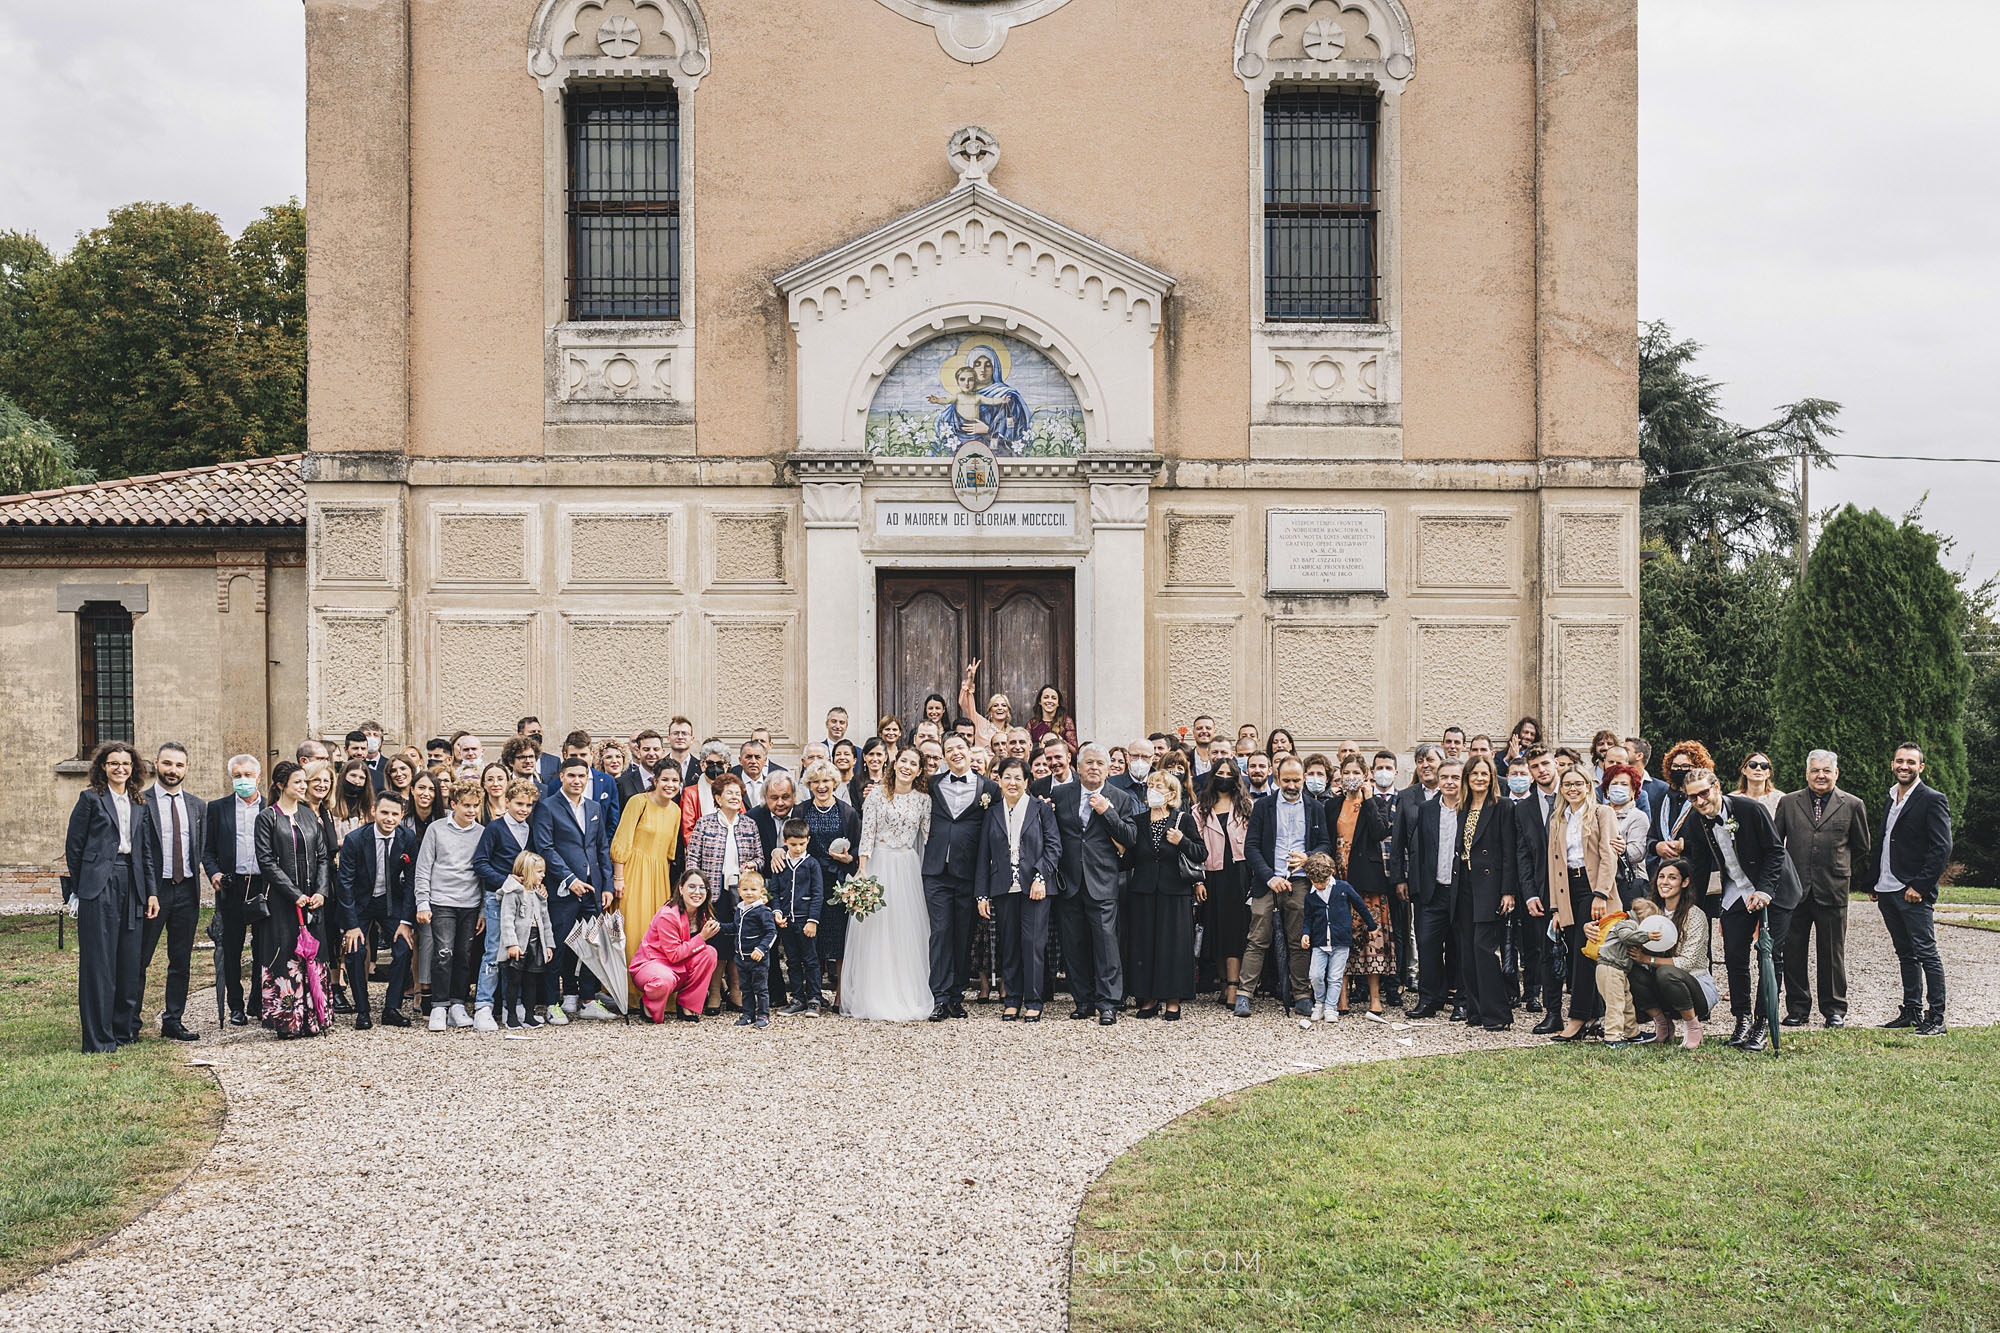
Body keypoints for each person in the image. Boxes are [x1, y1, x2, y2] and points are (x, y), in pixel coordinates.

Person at [1675, 765, 1796, 1052]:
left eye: (1704, 793)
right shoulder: (1696, 819)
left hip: (1775, 888)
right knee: (1733, 955)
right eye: (1693, 798)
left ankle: (1762, 1023)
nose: (1700, 801)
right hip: (1736, 890)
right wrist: (1691, 904)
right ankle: (1741, 1019)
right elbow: (1701, 864)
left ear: (1716, 787)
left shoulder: (1749, 809)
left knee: (1769, 956)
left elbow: (1775, 851)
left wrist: (1765, 890)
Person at [63, 741, 156, 1052]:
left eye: (126, 764)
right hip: (100, 885)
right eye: (113, 763)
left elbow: (145, 853)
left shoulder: (139, 802)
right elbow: (74, 848)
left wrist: (151, 891)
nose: (120, 768)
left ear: (134, 769)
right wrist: (84, 886)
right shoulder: (90, 799)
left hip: (133, 881)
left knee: (129, 961)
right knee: (99, 963)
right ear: (102, 767)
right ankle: (99, 1039)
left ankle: (123, 1031)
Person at [1774, 749, 1871, 1029]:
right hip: (1794, 889)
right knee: (1793, 952)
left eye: (1826, 771)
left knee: (1832, 952)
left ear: (1836, 773)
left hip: (1833, 888)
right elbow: (1776, 843)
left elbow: (1861, 846)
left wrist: (1837, 866)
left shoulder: (1852, 804)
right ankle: (1798, 1008)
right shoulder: (1789, 802)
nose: (1821, 775)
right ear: (1807, 773)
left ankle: (1834, 1009)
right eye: (1815, 770)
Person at [845, 746, 936, 1022]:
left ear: (920, 771)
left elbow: (930, 837)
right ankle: (876, 993)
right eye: (904, 761)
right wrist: (862, 872)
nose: (908, 766)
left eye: (914, 764)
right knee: (878, 930)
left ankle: (907, 991)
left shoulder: (923, 800)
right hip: (879, 864)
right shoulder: (876, 796)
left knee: (906, 929)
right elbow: (867, 835)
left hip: (907, 866)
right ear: (895, 764)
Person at [1051, 745, 1138, 1025]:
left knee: (1106, 945)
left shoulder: (1120, 798)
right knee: (1073, 945)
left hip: (1103, 882)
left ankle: (1109, 1003)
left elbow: (1130, 837)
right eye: (1089, 762)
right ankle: (1083, 1001)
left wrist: (1107, 812)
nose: (1094, 767)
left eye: (1100, 763)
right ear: (1077, 765)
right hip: (1070, 882)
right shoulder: (1061, 795)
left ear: (1108, 767)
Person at [1871, 743, 1953, 1036]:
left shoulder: (1932, 799)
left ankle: (1937, 1017)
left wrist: (1920, 885)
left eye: (1910, 762)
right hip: (1887, 888)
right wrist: (1874, 882)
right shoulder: (1891, 797)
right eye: (1899, 761)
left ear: (1921, 767)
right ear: (1892, 764)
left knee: (1926, 952)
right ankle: (1911, 1011)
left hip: (1912, 891)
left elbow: (1941, 848)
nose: (1903, 766)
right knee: (1905, 953)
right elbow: (1886, 841)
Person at [1241, 756, 1332, 1019]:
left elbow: (1325, 843)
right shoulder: (1264, 806)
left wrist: (1309, 856)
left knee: (1299, 941)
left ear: (1303, 778)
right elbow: (1252, 847)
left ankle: (1301, 995)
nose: (1292, 786)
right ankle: (1245, 995)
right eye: (1287, 780)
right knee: (1257, 939)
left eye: (1297, 780)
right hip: (1268, 882)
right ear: (1276, 778)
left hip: (1301, 882)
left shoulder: (1315, 808)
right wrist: (1269, 877)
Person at [974, 755, 1062, 1022]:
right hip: (1003, 887)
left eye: (1018, 778)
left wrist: (1041, 877)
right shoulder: (991, 812)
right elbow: (983, 855)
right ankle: (1011, 999)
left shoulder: (1041, 809)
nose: (1012, 783)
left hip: (1034, 886)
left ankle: (1034, 1000)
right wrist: (982, 893)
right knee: (1009, 944)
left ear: (1027, 781)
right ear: (998, 780)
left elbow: (1053, 847)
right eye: (1007, 777)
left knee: (1033, 943)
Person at [532, 756, 618, 1022]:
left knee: (593, 944)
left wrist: (605, 886)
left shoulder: (593, 806)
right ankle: (552, 1003)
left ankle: (587, 999)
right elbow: (545, 847)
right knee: (557, 945)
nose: (577, 781)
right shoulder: (547, 807)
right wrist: (570, 879)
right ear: (561, 776)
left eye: (582, 776)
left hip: (592, 889)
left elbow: (601, 847)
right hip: (562, 889)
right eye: (571, 776)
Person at [922, 734, 999, 1021]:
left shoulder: (989, 788)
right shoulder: (931, 785)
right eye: (949, 750)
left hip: (968, 874)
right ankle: (940, 998)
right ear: (943, 757)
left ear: (970, 752)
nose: (955, 753)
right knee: (941, 933)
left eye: (960, 748)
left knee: (962, 935)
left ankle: (956, 996)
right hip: (936, 871)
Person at [254, 759, 332, 1040]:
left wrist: (321, 891)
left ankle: (315, 1016)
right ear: (280, 785)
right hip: (282, 901)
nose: (304, 786)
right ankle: (288, 1019)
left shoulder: (310, 816)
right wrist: (294, 894)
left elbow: (323, 856)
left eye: (304, 782)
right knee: (285, 955)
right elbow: (266, 861)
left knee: (314, 955)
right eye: (298, 782)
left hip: (312, 898)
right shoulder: (267, 818)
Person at [1540, 765, 1618, 1042]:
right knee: (1576, 952)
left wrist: (1601, 894)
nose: (1572, 789)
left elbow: (1609, 855)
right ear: (1561, 789)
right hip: (1566, 889)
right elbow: (1553, 864)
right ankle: (1593, 1016)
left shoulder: (1601, 813)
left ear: (1588, 785)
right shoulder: (1558, 818)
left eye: (1578, 783)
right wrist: (1556, 908)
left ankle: (1577, 1018)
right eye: (1567, 784)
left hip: (1591, 887)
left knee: (1586, 953)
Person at [334, 790, 418, 1030]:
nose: (389, 818)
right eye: (384, 813)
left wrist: (405, 921)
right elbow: (345, 883)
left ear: (401, 815)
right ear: (374, 812)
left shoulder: (407, 838)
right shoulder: (355, 839)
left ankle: (392, 1008)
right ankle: (362, 1010)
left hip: (391, 902)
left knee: (403, 948)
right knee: (355, 951)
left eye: (394, 814)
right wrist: (351, 925)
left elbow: (412, 881)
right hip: (360, 903)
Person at [1125, 771, 1204, 1021]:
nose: (1152, 790)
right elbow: (1129, 859)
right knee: (1145, 943)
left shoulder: (1184, 820)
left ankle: (1172, 998)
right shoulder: (1138, 820)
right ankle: (1148, 998)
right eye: (1150, 785)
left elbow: (1201, 853)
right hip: (1144, 891)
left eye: (1158, 786)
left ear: (1171, 794)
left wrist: (1181, 841)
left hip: (1175, 891)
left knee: (1174, 946)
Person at [142, 742, 206, 1042]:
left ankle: (173, 1020)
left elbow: (200, 848)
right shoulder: (141, 802)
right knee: (139, 958)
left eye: (179, 765)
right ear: (156, 764)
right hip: (154, 893)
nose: (173, 770)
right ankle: (129, 1021)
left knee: (180, 960)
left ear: (187, 768)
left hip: (187, 891)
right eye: (167, 764)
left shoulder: (196, 806)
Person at [415, 779, 488, 1032]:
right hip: (442, 901)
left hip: (470, 903)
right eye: (466, 805)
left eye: (475, 806)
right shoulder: (436, 830)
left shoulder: (481, 833)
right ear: (453, 804)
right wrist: (422, 902)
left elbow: (482, 873)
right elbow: (423, 868)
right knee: (443, 953)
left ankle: (457, 1004)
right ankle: (438, 1006)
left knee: (464, 956)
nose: (471, 811)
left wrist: (482, 911)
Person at [688, 773, 763, 1013]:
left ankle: (737, 991)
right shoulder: (705, 823)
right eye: (728, 793)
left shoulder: (749, 824)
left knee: (739, 942)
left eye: (737, 793)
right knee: (717, 943)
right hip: (713, 893)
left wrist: (752, 865)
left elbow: (760, 858)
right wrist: (696, 890)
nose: (734, 797)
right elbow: (692, 860)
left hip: (742, 893)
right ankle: (714, 994)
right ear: (717, 798)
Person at [1453, 753, 1517, 1032]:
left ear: (1492, 778)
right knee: (1467, 951)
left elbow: (1509, 852)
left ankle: (1497, 1014)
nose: (1480, 778)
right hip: (1464, 884)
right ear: (1467, 778)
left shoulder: (1503, 806)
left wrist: (1508, 891)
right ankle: (1476, 1011)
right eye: (1474, 774)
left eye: (1485, 774)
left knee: (1484, 949)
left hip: (1490, 887)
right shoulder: (1462, 808)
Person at [203, 753, 268, 1025]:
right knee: (231, 948)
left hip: (263, 885)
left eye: (248, 775)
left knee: (263, 947)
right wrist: (214, 872)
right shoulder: (217, 808)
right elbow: (207, 851)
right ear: (231, 778)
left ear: (258, 777)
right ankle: (235, 1005)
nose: (243, 780)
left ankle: (258, 1001)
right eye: (238, 776)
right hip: (232, 885)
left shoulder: (270, 807)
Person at [471, 777, 537, 1031]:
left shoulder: (529, 829)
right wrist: (506, 881)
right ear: (507, 802)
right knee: (493, 951)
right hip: (497, 897)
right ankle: (483, 1006)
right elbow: (480, 863)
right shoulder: (495, 829)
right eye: (519, 803)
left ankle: (514, 1004)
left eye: (529, 805)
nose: (524, 809)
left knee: (517, 951)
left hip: (523, 901)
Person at [1626, 859, 1713, 1049]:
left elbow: (1687, 962)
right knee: (1630, 969)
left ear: (1684, 882)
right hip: (1662, 983)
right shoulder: (1650, 911)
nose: (1664, 882)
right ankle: (1663, 1025)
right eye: (1661, 877)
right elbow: (1623, 924)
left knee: (1666, 972)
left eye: (1672, 878)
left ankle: (1693, 1026)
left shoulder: (1694, 915)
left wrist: (1647, 959)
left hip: (1695, 985)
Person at [1405, 758, 1465, 1021]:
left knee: (1461, 948)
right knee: (1427, 947)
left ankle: (1462, 1001)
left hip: (1461, 892)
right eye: (1445, 777)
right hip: (1431, 892)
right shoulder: (1426, 809)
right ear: (1438, 781)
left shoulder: (1471, 808)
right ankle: (1429, 999)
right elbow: (1418, 851)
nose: (1450, 782)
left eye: (1455, 777)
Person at [798, 759, 861, 1007]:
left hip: (838, 881)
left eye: (826, 781)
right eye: (816, 781)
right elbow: (793, 840)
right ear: (809, 784)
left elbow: (857, 846)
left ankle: (840, 993)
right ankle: (812, 993)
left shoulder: (847, 812)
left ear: (835, 783)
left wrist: (849, 857)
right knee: (812, 936)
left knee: (839, 939)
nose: (821, 786)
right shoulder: (801, 810)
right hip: (809, 882)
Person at [611, 756, 686, 965]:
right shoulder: (638, 802)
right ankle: (627, 991)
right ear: (655, 780)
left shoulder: (676, 811)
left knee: (655, 932)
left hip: (659, 877)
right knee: (632, 931)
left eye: (675, 781)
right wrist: (618, 878)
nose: (670, 785)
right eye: (665, 780)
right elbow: (622, 841)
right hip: (633, 874)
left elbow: (670, 854)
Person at [1196, 758, 1252, 1008]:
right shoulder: (1200, 809)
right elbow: (1194, 848)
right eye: (1220, 772)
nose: (1225, 777)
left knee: (1235, 931)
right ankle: (1222, 983)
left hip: (1238, 873)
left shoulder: (1247, 806)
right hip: (1212, 874)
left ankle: (1233, 986)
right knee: (1215, 930)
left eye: (1230, 773)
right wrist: (1198, 880)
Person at [631, 871, 721, 1023]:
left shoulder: (701, 913)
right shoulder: (668, 915)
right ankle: (648, 1005)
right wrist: (703, 937)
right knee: (664, 979)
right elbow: (674, 955)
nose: (697, 892)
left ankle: (687, 1005)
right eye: (691, 887)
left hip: (679, 967)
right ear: (680, 889)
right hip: (652, 965)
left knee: (710, 953)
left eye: (702, 888)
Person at [1512, 745, 1560, 1026]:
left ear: (1555, 764)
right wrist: (1529, 893)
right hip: (1540, 889)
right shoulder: (1525, 808)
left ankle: (1588, 1014)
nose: (1541, 770)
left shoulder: (1573, 796)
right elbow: (1523, 854)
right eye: (1535, 767)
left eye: (1545, 764)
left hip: (1574, 887)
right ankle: (1551, 1013)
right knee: (1542, 950)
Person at [1299, 851, 1374, 1026]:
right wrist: (1305, 933)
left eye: (1322, 882)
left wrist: (1372, 926)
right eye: (1314, 882)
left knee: (1335, 977)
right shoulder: (1310, 896)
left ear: (1331, 873)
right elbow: (1308, 918)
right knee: (1315, 975)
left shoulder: (1343, 888)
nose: (1319, 885)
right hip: (1319, 942)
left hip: (1340, 941)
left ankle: (1331, 1007)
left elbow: (1360, 906)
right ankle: (1319, 1003)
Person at [1584, 898, 1663, 1047]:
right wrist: (1647, 936)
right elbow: (1626, 936)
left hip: (1618, 970)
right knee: (1616, 1004)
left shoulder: (1628, 923)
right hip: (1610, 968)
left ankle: (1632, 1033)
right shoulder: (1627, 924)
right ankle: (1612, 1038)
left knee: (1626, 1002)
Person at [770, 818, 825, 1016]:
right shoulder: (781, 864)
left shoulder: (812, 864)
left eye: (802, 844)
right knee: (792, 961)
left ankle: (814, 999)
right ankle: (797, 998)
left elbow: (818, 894)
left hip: (806, 921)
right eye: (793, 844)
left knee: (811, 960)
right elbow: (774, 891)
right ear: (785, 841)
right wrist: (776, 911)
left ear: (808, 840)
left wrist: (813, 920)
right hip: (786, 921)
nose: (798, 848)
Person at [497, 850, 556, 1029]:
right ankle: (511, 1016)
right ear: (527, 871)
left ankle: (530, 1015)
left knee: (531, 980)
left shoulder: (539, 894)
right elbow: (506, 919)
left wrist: (548, 945)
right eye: (539, 872)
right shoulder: (513, 892)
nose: (543, 875)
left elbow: (546, 921)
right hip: (519, 943)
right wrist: (512, 944)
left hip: (536, 942)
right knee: (514, 980)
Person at [732, 870, 777, 1029]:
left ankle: (763, 1015)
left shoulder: (762, 911)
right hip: (741, 957)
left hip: (758, 958)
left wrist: (761, 948)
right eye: (745, 890)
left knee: (760, 988)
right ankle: (747, 1014)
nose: (749, 893)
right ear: (739, 891)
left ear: (761, 891)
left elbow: (771, 932)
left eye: (753, 890)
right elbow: (736, 927)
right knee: (745, 988)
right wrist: (719, 927)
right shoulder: (740, 909)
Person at [1028, 684, 1079, 757]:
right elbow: (1027, 749)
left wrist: (1061, 741)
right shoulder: (1032, 724)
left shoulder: (1066, 722)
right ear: (1040, 701)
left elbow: (1075, 752)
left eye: (1053, 698)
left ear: (1058, 703)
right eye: (1046, 697)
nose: (1049, 701)